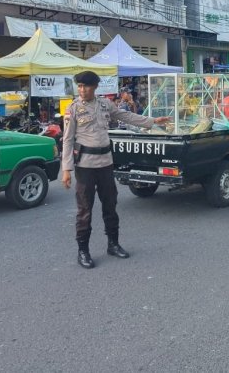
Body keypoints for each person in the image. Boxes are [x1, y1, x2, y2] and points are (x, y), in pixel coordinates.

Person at [62, 71, 170, 269]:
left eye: (86, 86)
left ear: (94, 87)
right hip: (85, 166)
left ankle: (113, 244)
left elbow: (127, 116)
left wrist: (152, 121)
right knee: (84, 210)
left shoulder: (105, 105)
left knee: (110, 206)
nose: (82, 90)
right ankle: (83, 251)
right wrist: (66, 169)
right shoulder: (73, 109)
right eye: (79, 86)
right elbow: (67, 140)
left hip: (105, 163)